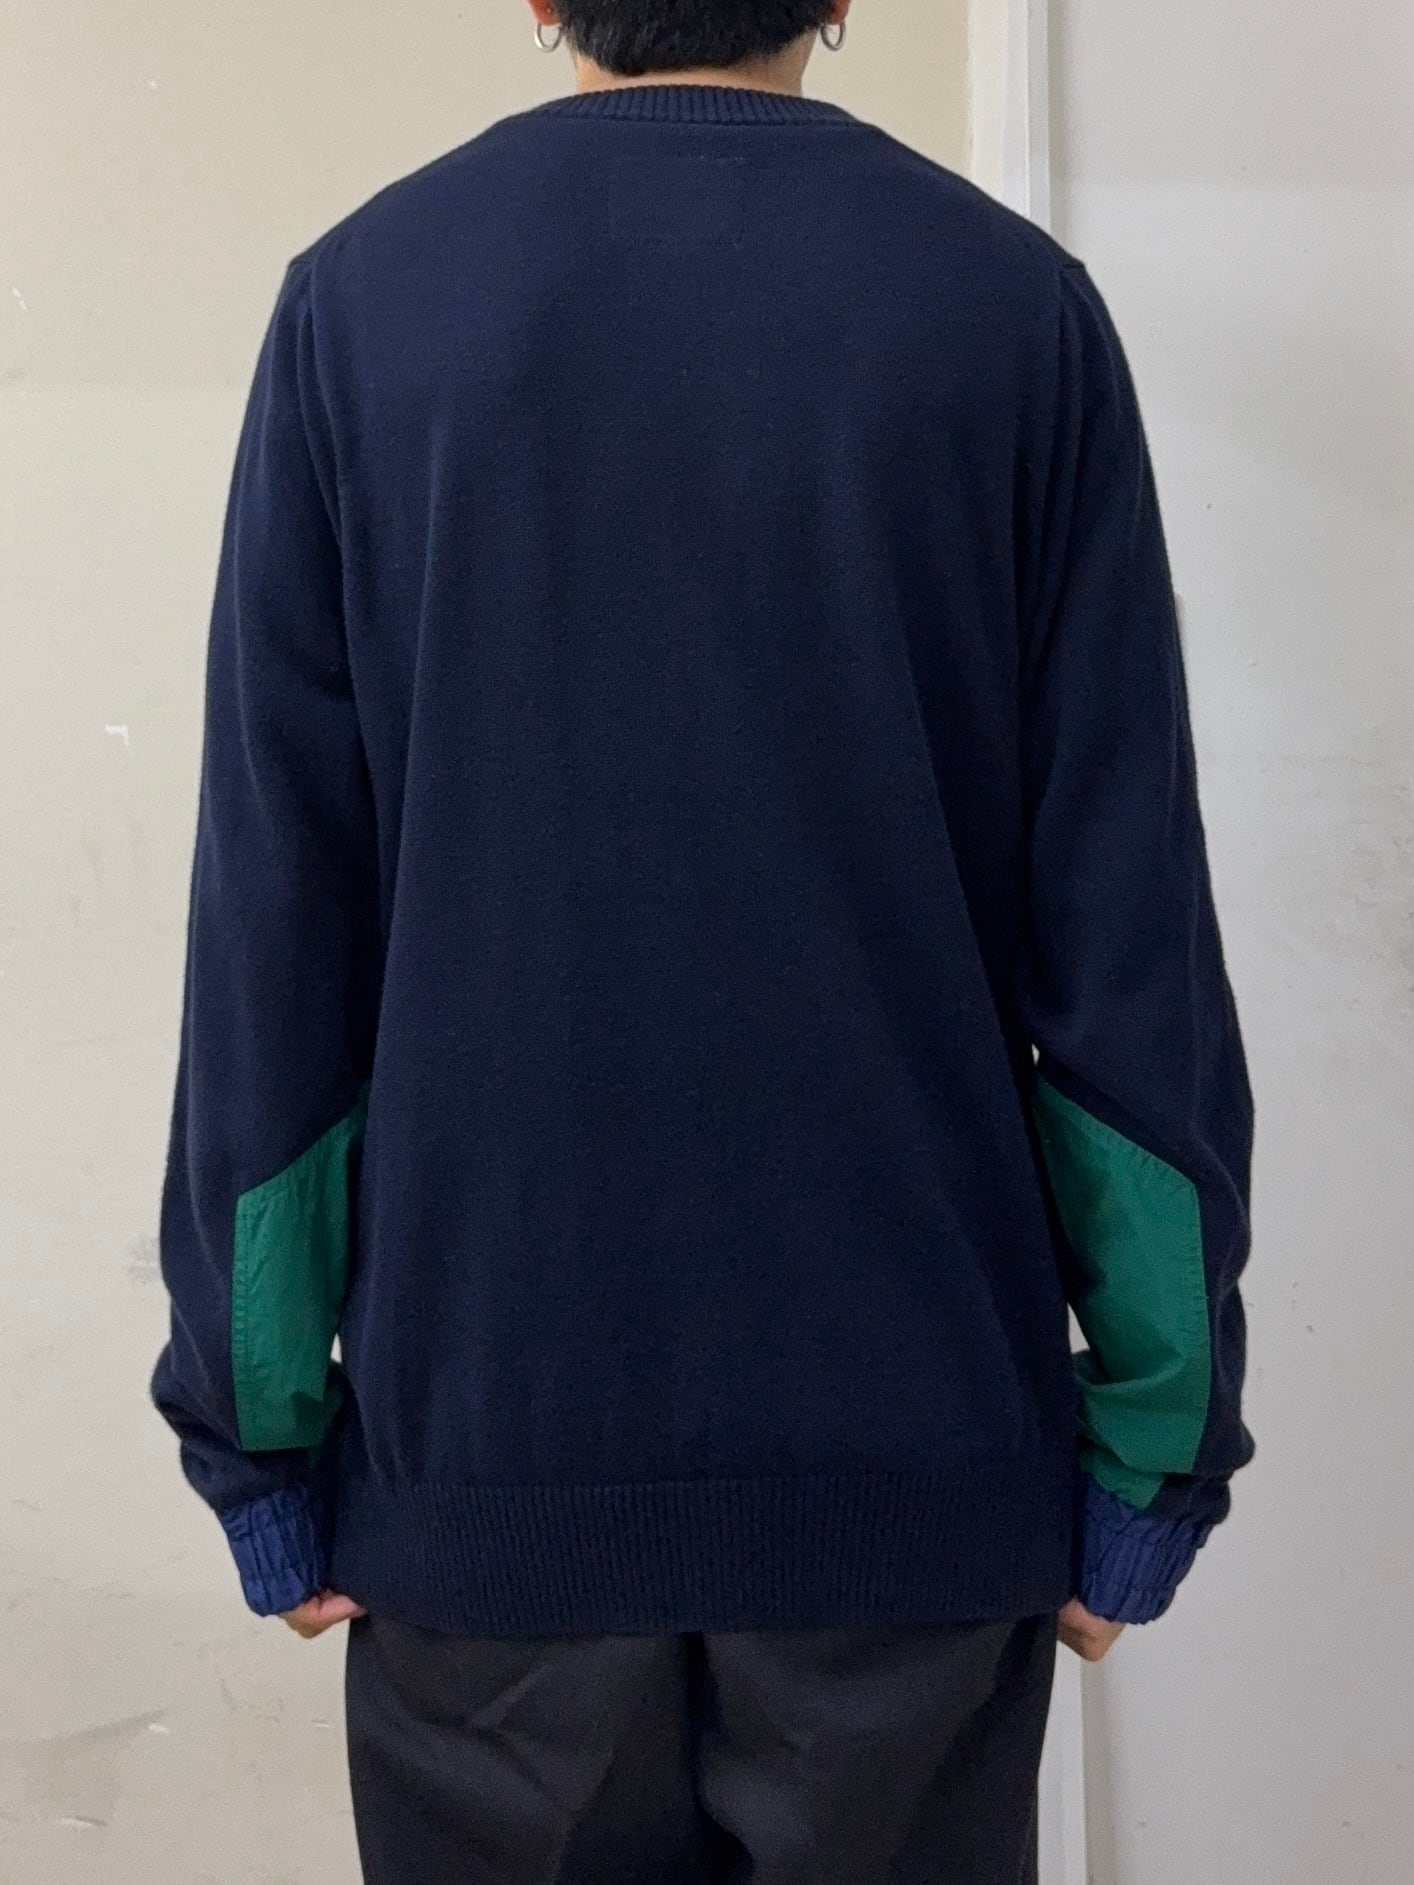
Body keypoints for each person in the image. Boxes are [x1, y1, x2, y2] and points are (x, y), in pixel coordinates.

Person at [151, 2, 1255, 1879]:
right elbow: (1120, 923)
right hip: (912, 1482)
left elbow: (278, 920)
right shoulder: (1010, 313)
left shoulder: (362, 307)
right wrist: (1153, 1445)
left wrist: (259, 1437)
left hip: (484, 1477)